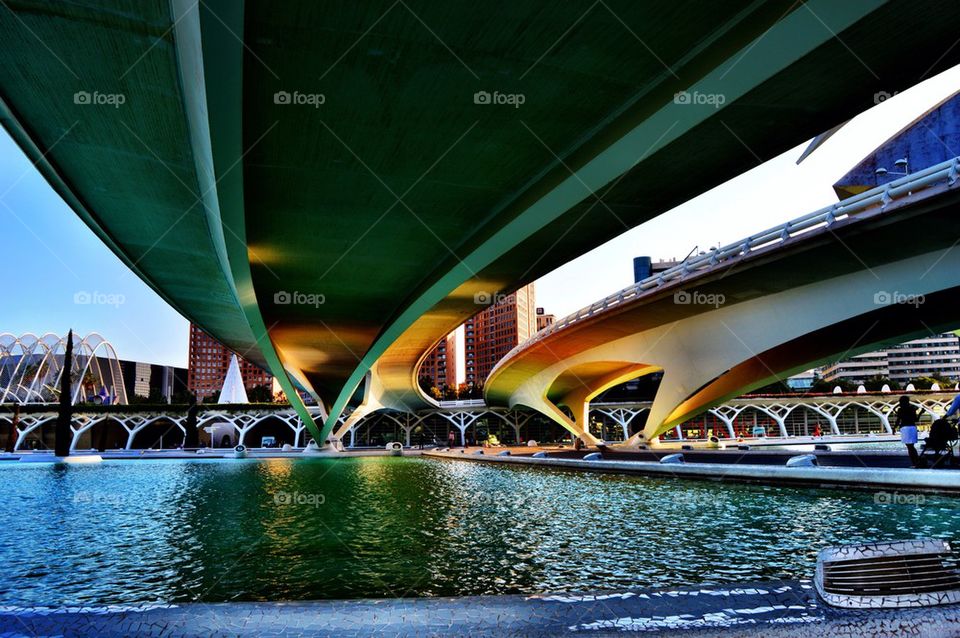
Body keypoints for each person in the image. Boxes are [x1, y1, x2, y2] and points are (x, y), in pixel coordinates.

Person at [894, 395, 924, 468]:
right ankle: (916, 462)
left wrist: (894, 428)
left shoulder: (900, 409)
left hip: (905, 428)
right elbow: (916, 420)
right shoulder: (912, 408)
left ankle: (915, 463)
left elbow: (898, 420)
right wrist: (921, 413)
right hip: (912, 427)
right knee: (911, 447)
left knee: (910, 447)